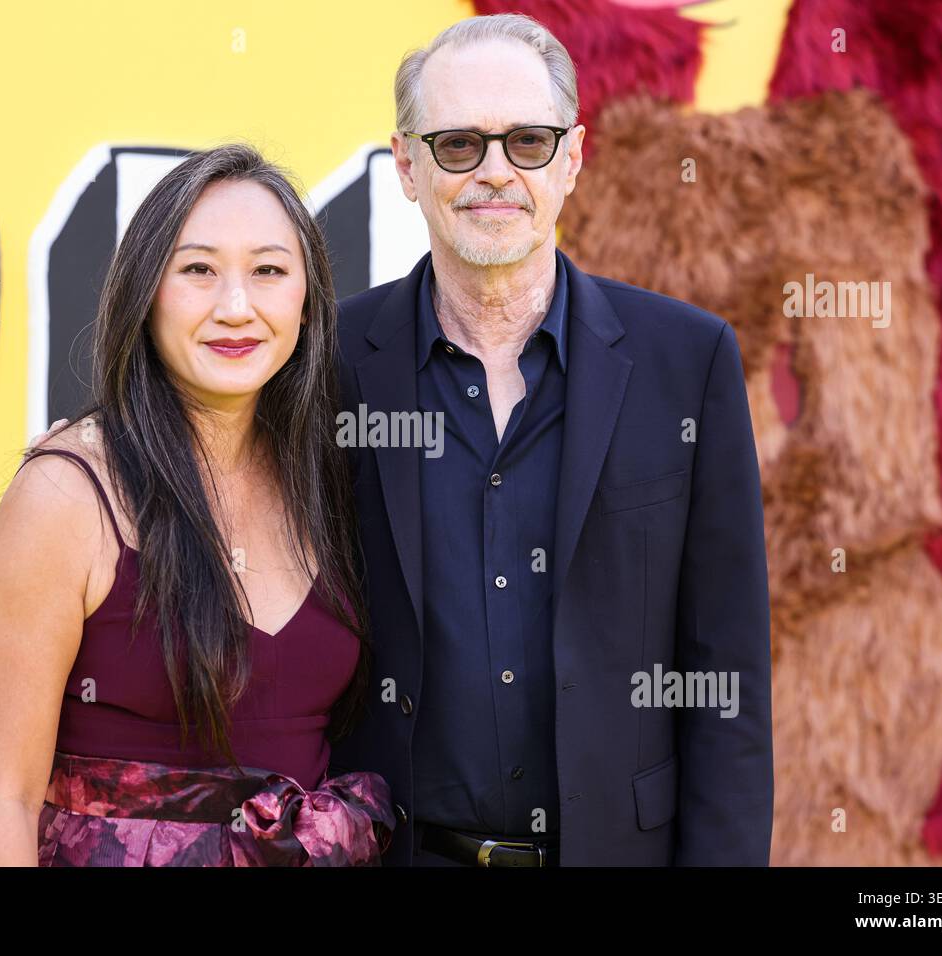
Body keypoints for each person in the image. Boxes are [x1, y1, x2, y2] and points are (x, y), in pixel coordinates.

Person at [326, 13, 774, 866]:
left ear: (571, 158)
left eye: (527, 142)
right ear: (407, 166)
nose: (495, 174)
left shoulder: (689, 362)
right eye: (458, 145)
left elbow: (728, 681)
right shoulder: (329, 364)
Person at [0, 143, 394, 866]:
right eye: (198, 270)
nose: (236, 307)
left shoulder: (328, 478)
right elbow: (1, 802)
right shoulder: (68, 495)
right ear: (146, 292)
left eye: (268, 271)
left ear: (307, 299)